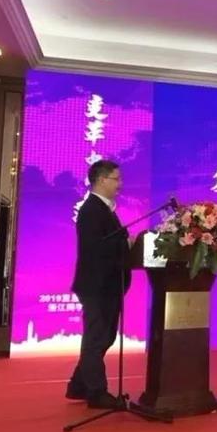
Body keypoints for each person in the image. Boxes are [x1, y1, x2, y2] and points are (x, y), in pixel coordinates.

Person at [65, 160, 131, 408]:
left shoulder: (104, 209)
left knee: (103, 337)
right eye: (116, 179)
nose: (120, 184)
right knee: (97, 338)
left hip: (106, 285)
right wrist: (125, 243)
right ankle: (96, 392)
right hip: (97, 285)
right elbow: (96, 248)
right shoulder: (92, 209)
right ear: (102, 180)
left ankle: (78, 385)